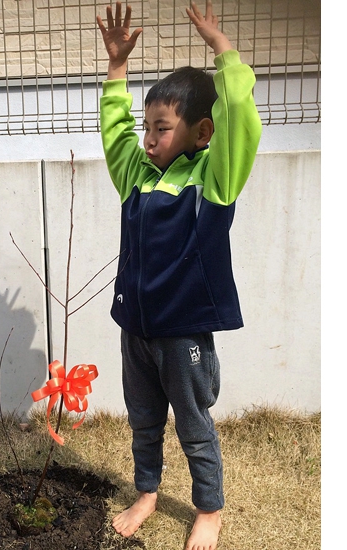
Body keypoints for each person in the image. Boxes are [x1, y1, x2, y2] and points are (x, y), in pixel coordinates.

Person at [96, 1, 261, 548]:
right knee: (143, 418)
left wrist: (223, 52)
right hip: (135, 328)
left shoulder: (213, 181)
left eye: (162, 129)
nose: (148, 139)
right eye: (148, 128)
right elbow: (115, 133)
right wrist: (117, 67)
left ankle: (208, 508)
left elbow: (241, 115)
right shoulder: (136, 177)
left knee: (192, 423)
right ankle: (146, 491)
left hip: (183, 331)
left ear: (201, 132)